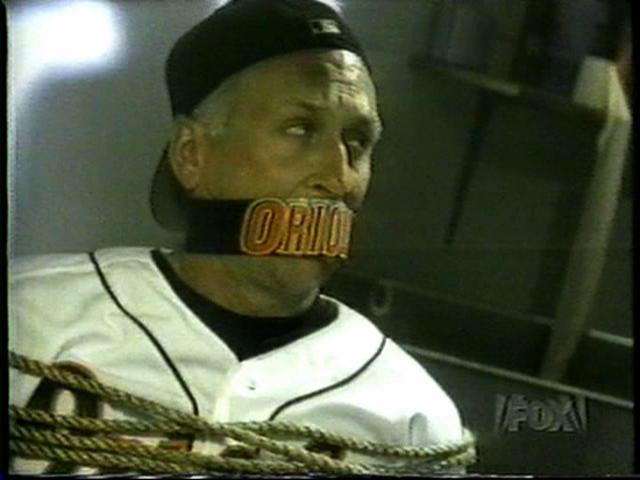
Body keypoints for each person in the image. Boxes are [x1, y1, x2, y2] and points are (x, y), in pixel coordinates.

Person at [9, 0, 468, 474]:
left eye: (357, 141)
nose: (339, 176)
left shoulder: (413, 420)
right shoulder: (32, 316)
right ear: (191, 154)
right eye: (300, 128)